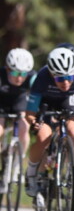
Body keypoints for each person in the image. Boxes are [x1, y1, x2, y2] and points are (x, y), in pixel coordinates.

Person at [24, 46, 74, 200]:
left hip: (69, 100)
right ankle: (31, 173)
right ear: (52, 73)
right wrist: (34, 122)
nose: (66, 82)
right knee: (43, 136)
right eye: (60, 78)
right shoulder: (42, 77)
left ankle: (73, 177)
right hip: (46, 102)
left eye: (69, 77)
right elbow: (30, 113)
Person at [0, 48, 35, 194]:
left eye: (23, 74)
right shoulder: (1, 75)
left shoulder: (32, 77)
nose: (19, 78)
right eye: (15, 73)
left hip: (19, 103)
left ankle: (17, 164)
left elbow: (40, 95)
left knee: (24, 127)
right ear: (8, 69)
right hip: (1, 105)